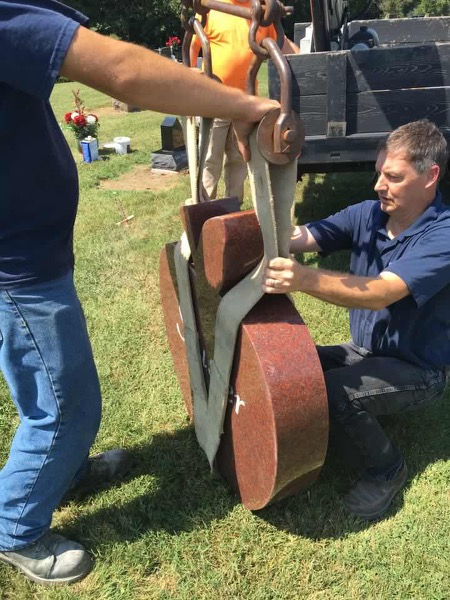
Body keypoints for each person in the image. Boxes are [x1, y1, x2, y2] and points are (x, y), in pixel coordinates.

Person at [0, 0, 278, 586]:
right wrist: (247, 104)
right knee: (68, 405)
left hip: (25, 254)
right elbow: (118, 69)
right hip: (16, 266)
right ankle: (15, 526)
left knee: (42, 384)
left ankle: (62, 469)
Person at [262, 119, 450, 521]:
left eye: (393, 177)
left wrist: (304, 278)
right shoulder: (369, 214)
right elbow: (305, 236)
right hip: (365, 351)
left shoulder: (444, 236)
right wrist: (267, 223)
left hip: (419, 369)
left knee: (334, 392)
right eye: (379, 172)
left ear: (430, 176)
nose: (378, 185)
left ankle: (388, 470)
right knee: (292, 366)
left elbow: (381, 293)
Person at [190, 0, 300, 203]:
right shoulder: (211, 8)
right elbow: (194, 46)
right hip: (215, 100)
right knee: (210, 158)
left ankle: (232, 208)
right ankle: (204, 209)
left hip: (246, 104)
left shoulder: (261, 13)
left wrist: (309, 59)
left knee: (239, 159)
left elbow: (283, 45)